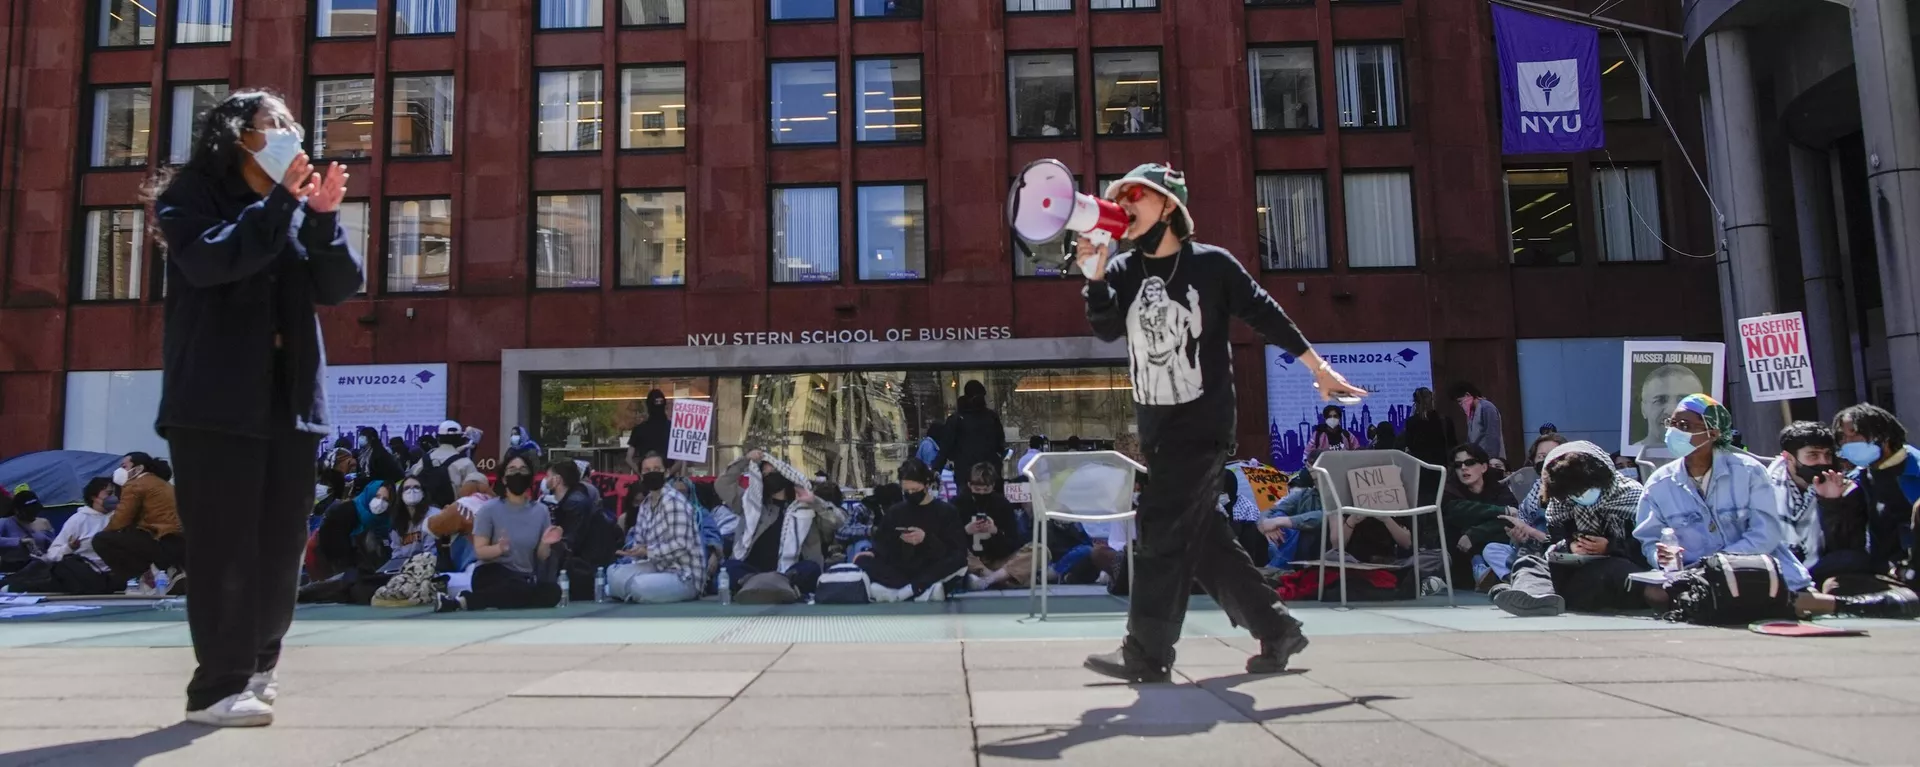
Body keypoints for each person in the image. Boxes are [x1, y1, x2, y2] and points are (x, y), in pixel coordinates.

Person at [1073, 162, 1364, 682]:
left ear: (1168, 205)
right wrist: (1095, 277)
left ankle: (1146, 651)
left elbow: (1265, 312)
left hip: (1203, 422)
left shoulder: (1212, 266)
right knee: (1203, 539)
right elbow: (1105, 329)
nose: (1122, 204)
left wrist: (1317, 369)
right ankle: (1276, 630)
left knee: (1160, 527)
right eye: (1117, 196)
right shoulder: (1122, 270)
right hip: (1158, 428)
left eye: (1134, 194)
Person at [151, 88, 361, 727]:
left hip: (289, 401)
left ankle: (260, 666)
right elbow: (215, 260)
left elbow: (338, 285)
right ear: (238, 135)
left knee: (279, 544)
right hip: (214, 402)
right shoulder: (187, 199)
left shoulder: (294, 209)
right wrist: (281, 203)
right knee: (224, 547)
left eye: (293, 124)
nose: (289, 134)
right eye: (275, 124)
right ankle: (216, 687)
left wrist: (322, 218)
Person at [1634, 395, 1917, 619]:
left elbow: (1766, 535)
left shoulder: (1748, 472)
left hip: (1756, 570)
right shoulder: (1660, 482)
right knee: (1655, 594)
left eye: (1685, 426)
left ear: (1713, 431)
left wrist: (1717, 564)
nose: (1674, 432)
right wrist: (1662, 556)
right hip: (1694, 575)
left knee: (1790, 596)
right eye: (1673, 423)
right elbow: (1649, 538)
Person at [1489, 441, 1647, 616]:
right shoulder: (1560, 504)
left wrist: (1609, 546)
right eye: (1575, 493)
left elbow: (1648, 546)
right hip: (1577, 567)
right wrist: (1569, 547)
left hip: (1618, 566)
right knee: (1530, 562)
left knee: (1610, 570)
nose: (1581, 495)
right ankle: (1534, 597)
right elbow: (1555, 542)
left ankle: (1532, 593)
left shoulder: (1633, 496)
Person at [436, 456, 565, 612]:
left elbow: (541, 556)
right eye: (512, 470)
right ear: (504, 479)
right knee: (517, 587)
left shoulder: (541, 511)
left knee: (553, 592)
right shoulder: (489, 509)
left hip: (522, 577)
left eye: (523, 469)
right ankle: (464, 602)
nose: (518, 473)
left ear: (530, 477)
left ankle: (473, 600)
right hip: (491, 572)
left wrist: (546, 542)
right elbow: (480, 551)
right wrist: (498, 548)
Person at [715, 448, 844, 598]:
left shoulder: (807, 510)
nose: (768, 477)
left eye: (773, 473)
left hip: (790, 573)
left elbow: (839, 521)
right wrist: (745, 460)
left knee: (811, 569)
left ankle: (779, 586)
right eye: (764, 474)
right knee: (729, 568)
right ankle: (757, 585)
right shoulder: (751, 505)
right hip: (752, 571)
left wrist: (814, 502)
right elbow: (722, 484)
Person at [1820, 404, 1920, 585]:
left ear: (1884, 435)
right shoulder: (1858, 479)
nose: (1848, 442)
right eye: (1842, 436)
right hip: (1882, 567)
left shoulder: (1916, 471)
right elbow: (1847, 539)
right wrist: (1832, 503)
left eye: (1855, 433)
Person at [1764, 421, 1866, 587]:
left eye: (1827, 455)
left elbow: (1847, 546)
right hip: (1775, 567)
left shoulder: (1846, 488)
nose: (1823, 462)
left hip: (1821, 569)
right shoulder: (1763, 487)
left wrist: (1831, 504)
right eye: (1813, 455)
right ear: (1788, 458)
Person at [859, 459, 970, 601]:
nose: (911, 494)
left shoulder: (947, 512)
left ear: (927, 485)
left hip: (932, 566)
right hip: (901, 568)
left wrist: (926, 539)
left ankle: (906, 590)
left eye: (915, 490)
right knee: (863, 560)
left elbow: (956, 551)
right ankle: (920, 590)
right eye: (906, 491)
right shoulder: (895, 511)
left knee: (959, 561)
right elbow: (882, 545)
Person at [608, 452, 705, 604]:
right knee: (613, 573)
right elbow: (640, 543)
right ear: (641, 475)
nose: (651, 473)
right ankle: (630, 591)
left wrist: (648, 551)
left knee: (639, 585)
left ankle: (629, 591)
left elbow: (681, 545)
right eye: (646, 470)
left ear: (666, 472)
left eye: (656, 468)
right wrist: (634, 551)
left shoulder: (674, 501)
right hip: (656, 567)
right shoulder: (645, 505)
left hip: (683, 575)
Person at [0, 479, 119, 595]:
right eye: (109, 493)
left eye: (114, 493)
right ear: (94, 497)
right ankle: (12, 587)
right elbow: (53, 553)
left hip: (109, 575)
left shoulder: (118, 517)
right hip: (80, 573)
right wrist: (69, 547)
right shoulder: (78, 520)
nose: (113, 497)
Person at [93, 452, 187, 595]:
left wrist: (107, 531)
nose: (119, 471)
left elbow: (120, 519)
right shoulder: (163, 484)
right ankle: (168, 570)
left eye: (124, 466)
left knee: (102, 540)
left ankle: (141, 578)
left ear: (138, 469)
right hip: (180, 541)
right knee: (130, 532)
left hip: (161, 541)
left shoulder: (136, 484)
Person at [958, 463, 1033, 590]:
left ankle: (989, 580)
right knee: (955, 551)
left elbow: (1013, 542)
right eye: (977, 489)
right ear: (969, 485)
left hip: (999, 560)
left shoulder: (1002, 504)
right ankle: (999, 579)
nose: (981, 493)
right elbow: (948, 540)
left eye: (986, 489)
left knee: (1039, 550)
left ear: (992, 486)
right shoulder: (958, 503)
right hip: (971, 561)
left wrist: (995, 532)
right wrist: (965, 531)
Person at [1630, 364, 1705, 457]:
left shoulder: (1719, 461)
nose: (1671, 410)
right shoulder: (1624, 460)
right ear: (1643, 409)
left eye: (1683, 400)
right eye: (1660, 400)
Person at [942, 381, 1007, 484]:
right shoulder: (990, 417)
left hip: (967, 470)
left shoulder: (957, 418)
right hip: (988, 470)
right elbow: (1000, 443)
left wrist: (937, 467)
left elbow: (946, 447)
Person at [414, 421, 480, 509]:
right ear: (460, 439)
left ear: (438, 438)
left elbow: (412, 479)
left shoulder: (424, 460)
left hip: (425, 514)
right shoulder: (465, 463)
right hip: (454, 514)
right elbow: (476, 494)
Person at [1503, 432, 1570, 502]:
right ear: (1533, 460)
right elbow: (1523, 512)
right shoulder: (1536, 488)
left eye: (1554, 456)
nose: (1547, 460)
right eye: (1542, 456)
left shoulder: (1576, 491)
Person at [1399, 388, 1457, 469]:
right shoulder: (1445, 421)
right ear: (1432, 400)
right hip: (1441, 467)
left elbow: (1410, 445)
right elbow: (1453, 445)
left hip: (1420, 468)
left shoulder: (1411, 422)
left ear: (1415, 403)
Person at [0, 489, 55, 572]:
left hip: (39, 568)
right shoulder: (5, 522)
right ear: (17, 511)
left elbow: (53, 546)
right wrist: (19, 541)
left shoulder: (44, 522)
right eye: (29, 512)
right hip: (13, 569)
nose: (33, 515)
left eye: (35, 511)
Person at [1450, 382, 1506, 462]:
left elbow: (1493, 436)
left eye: (1460, 401)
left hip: (1489, 459)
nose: (1460, 405)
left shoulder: (1487, 408)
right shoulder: (1471, 413)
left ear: (1467, 395)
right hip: (1477, 459)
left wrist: (1491, 459)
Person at [626, 389, 671, 472]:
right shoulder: (672, 428)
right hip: (663, 476)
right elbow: (628, 458)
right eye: (656, 402)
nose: (659, 405)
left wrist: (641, 473)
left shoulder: (639, 429)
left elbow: (629, 458)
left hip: (653, 475)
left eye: (660, 402)